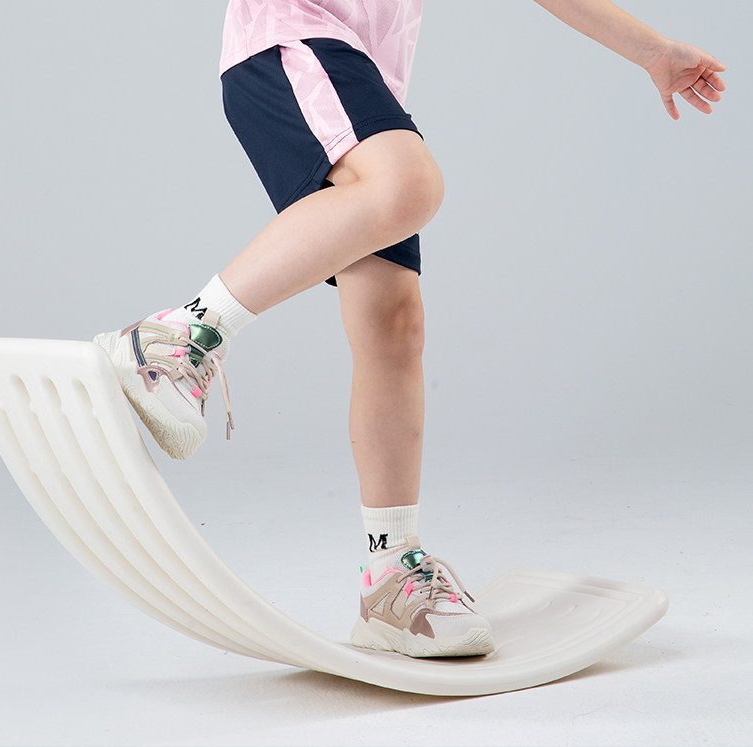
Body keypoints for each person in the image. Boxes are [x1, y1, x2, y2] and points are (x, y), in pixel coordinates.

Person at [95, 0, 726, 658]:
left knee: (393, 322)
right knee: (408, 185)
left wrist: (651, 50)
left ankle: (390, 575)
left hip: (358, 72)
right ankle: (177, 338)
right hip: (293, 39)